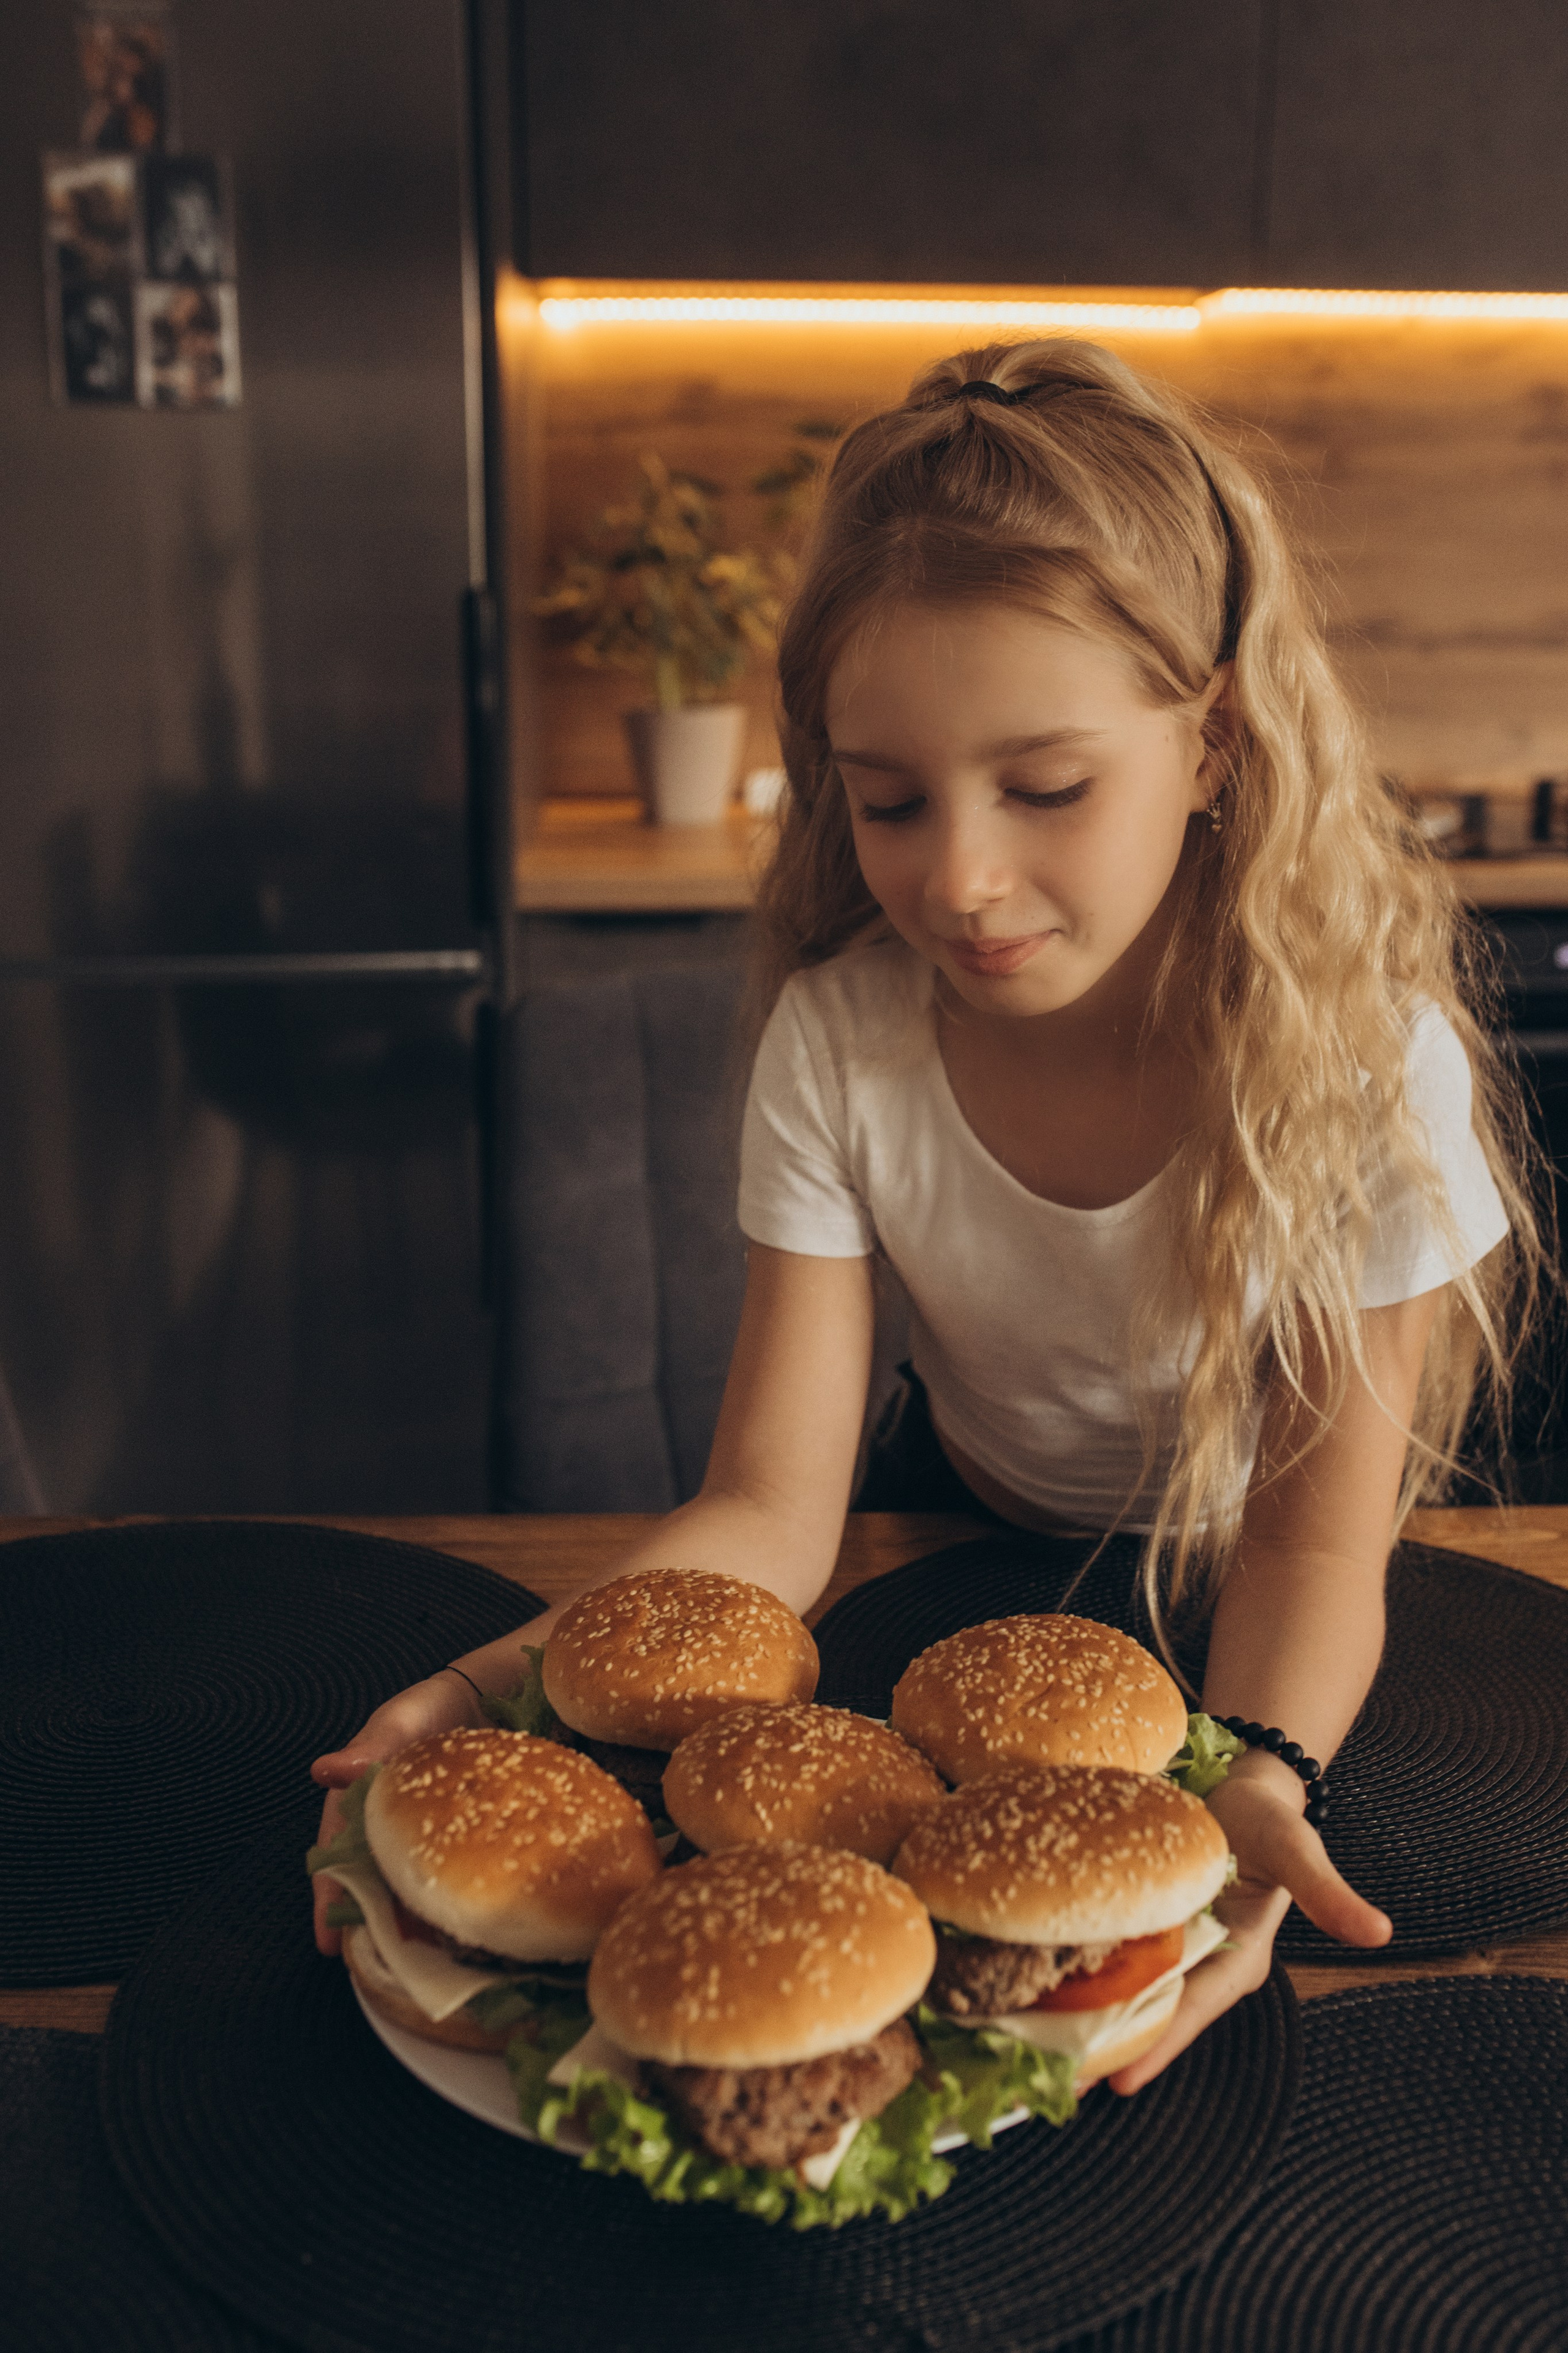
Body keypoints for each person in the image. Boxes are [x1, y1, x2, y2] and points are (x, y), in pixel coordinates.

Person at [312, 339, 1543, 2091]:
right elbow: (772, 1501)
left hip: (1233, 1582)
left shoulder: (1358, 1067)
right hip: (938, 1536)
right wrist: (501, 1677)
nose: (956, 880)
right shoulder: (843, 1037)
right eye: (887, 798)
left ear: (1210, 741)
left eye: (1046, 788)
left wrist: (1260, 1770)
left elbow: (1309, 1547)